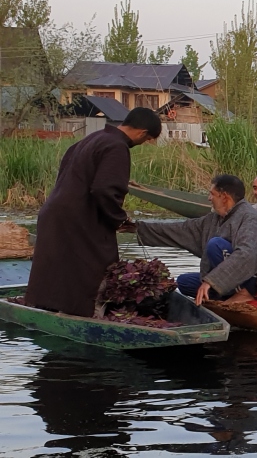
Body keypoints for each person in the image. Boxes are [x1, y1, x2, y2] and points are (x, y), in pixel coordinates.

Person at [25, 108, 162, 317]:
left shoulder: (92, 139)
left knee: (59, 266)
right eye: (149, 139)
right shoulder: (117, 147)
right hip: (79, 217)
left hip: (55, 214)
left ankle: (52, 309)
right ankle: (86, 315)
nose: (145, 143)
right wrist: (119, 219)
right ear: (143, 133)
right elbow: (104, 189)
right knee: (100, 265)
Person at [135, 174, 257, 304]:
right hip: (235, 277)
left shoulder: (250, 217)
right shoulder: (214, 218)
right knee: (183, 282)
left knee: (216, 245)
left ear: (224, 197)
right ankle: (227, 292)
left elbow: (246, 255)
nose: (209, 198)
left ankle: (245, 294)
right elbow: (183, 229)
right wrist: (137, 227)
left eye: (212, 194)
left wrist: (211, 282)